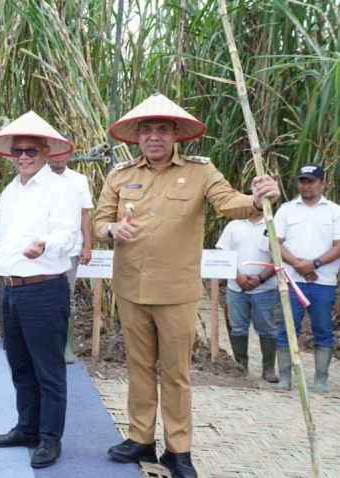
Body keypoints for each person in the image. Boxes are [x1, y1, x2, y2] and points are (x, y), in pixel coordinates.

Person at [94, 93, 280, 478]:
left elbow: (230, 203)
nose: (155, 137)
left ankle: (178, 450)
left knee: (176, 373)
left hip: (176, 291)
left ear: (176, 134)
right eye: (147, 130)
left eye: (162, 129)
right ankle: (140, 438)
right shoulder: (121, 175)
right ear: (137, 137)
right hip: (130, 289)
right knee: (140, 367)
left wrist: (260, 197)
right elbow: (99, 223)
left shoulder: (200, 172)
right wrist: (112, 229)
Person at [0, 111, 80, 470]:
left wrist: (45, 244)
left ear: (47, 152)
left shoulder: (59, 188)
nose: (22, 157)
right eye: (17, 151)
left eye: (30, 151)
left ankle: (50, 438)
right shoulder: (10, 189)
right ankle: (27, 428)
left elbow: (71, 235)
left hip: (43, 289)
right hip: (10, 289)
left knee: (48, 369)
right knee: (20, 364)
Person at [272, 163, 340, 393]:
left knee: (323, 329)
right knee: (287, 329)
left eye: (311, 181)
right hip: (291, 281)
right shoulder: (286, 210)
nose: (306, 185)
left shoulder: (334, 211)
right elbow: (275, 243)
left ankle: (320, 380)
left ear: (323, 183)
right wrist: (299, 265)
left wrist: (315, 264)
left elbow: (338, 245)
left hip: (323, 282)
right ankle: (285, 379)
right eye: (303, 180)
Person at [215, 187, 278, 382]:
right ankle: (241, 366)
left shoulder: (274, 225)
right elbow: (223, 254)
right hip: (236, 287)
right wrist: (237, 276)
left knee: (267, 327)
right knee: (238, 327)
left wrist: (260, 279)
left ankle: (268, 369)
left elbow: (279, 258)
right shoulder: (234, 226)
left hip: (265, 288)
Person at [48, 150, 93, 363]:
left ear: (70, 154)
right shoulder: (38, 179)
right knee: (42, 298)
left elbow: (85, 213)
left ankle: (66, 346)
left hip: (71, 250)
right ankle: (45, 344)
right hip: (43, 249)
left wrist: (87, 245)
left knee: (68, 297)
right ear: (47, 154)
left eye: (62, 153)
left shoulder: (78, 180)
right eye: (54, 153)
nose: (58, 157)